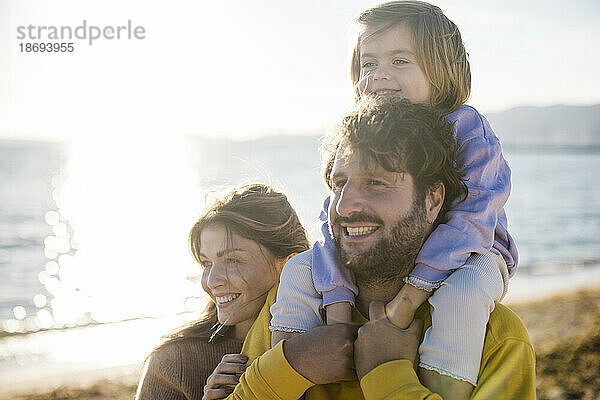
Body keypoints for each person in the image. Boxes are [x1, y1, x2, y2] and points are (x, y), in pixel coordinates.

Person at [270, 1, 518, 396]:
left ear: (442, 72)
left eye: (400, 61)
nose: (380, 76)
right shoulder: (362, 133)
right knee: (300, 268)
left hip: (475, 252)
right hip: (388, 257)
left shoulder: (466, 129)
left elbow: (474, 215)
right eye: (369, 64)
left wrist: (407, 302)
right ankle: (290, 369)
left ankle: (444, 388)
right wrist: (336, 309)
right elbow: (332, 214)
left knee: (463, 295)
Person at [223, 99, 534, 399]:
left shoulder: (496, 339)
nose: (344, 206)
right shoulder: (292, 304)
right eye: (339, 184)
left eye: (375, 183)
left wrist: (386, 374)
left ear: (432, 200)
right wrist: (291, 365)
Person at [135, 184, 309, 400]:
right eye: (207, 263)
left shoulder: (328, 345)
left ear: (289, 266)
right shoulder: (175, 364)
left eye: (232, 261)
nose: (212, 281)